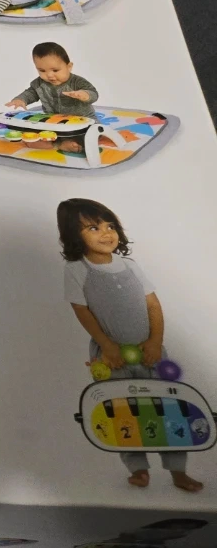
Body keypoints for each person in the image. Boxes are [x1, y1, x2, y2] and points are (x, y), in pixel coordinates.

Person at [57, 198, 203, 492]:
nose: (106, 233)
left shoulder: (130, 266)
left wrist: (155, 342)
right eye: (93, 228)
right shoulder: (76, 269)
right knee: (122, 411)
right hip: (111, 357)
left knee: (168, 409)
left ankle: (178, 471)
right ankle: (138, 469)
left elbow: (153, 305)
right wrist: (107, 346)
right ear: (74, 235)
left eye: (110, 226)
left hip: (151, 353)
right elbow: (81, 311)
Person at [7, 42, 101, 153]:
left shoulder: (77, 82)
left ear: (69, 67)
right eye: (42, 70)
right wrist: (21, 99)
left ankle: (68, 143)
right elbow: (31, 93)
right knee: (30, 134)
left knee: (92, 136)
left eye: (55, 70)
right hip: (53, 123)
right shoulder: (39, 83)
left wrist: (85, 95)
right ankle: (59, 144)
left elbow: (93, 93)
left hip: (82, 122)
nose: (49, 75)